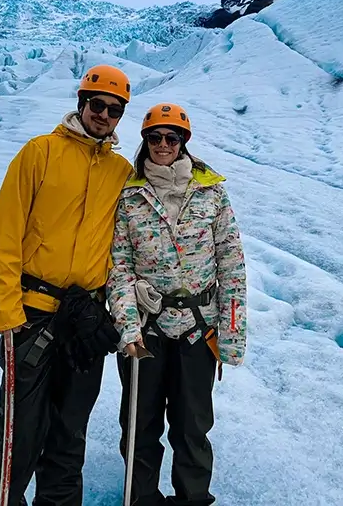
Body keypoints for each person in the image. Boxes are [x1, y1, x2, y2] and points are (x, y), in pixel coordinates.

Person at [0, 64, 133, 506]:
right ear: (82, 104)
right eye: (98, 105)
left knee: (69, 436)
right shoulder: (40, 152)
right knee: (18, 435)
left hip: (83, 321)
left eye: (115, 110)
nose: (104, 115)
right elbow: (4, 234)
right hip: (29, 316)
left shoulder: (120, 171)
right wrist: (6, 315)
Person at [107, 103, 247, 506]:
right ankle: (142, 498)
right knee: (139, 424)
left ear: (184, 142)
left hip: (198, 327)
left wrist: (232, 336)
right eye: (155, 137)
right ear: (145, 141)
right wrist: (128, 329)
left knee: (191, 425)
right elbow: (119, 267)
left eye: (172, 138)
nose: (163, 145)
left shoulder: (211, 193)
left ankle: (192, 498)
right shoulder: (129, 197)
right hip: (147, 328)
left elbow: (232, 265)